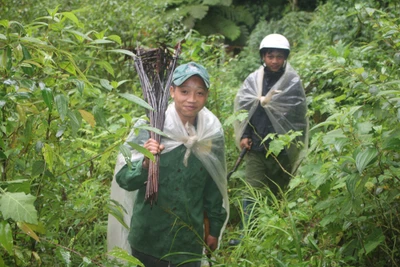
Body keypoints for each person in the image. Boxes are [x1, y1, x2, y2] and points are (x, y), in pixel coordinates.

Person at [108, 62, 229, 267]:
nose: (192, 99)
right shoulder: (150, 125)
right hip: (148, 239)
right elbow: (124, 178)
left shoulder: (211, 133)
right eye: (184, 91)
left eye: (199, 93)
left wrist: (214, 229)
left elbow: (213, 187)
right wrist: (145, 164)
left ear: (207, 95)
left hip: (188, 242)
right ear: (172, 91)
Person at [230, 33, 308, 245]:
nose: (274, 61)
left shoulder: (292, 82)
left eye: (279, 57)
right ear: (263, 56)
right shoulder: (254, 80)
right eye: (270, 56)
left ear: (285, 58)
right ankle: (246, 234)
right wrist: (245, 135)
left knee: (279, 191)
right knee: (252, 191)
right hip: (255, 147)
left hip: (282, 149)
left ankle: (278, 233)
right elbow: (244, 108)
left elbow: (299, 117)